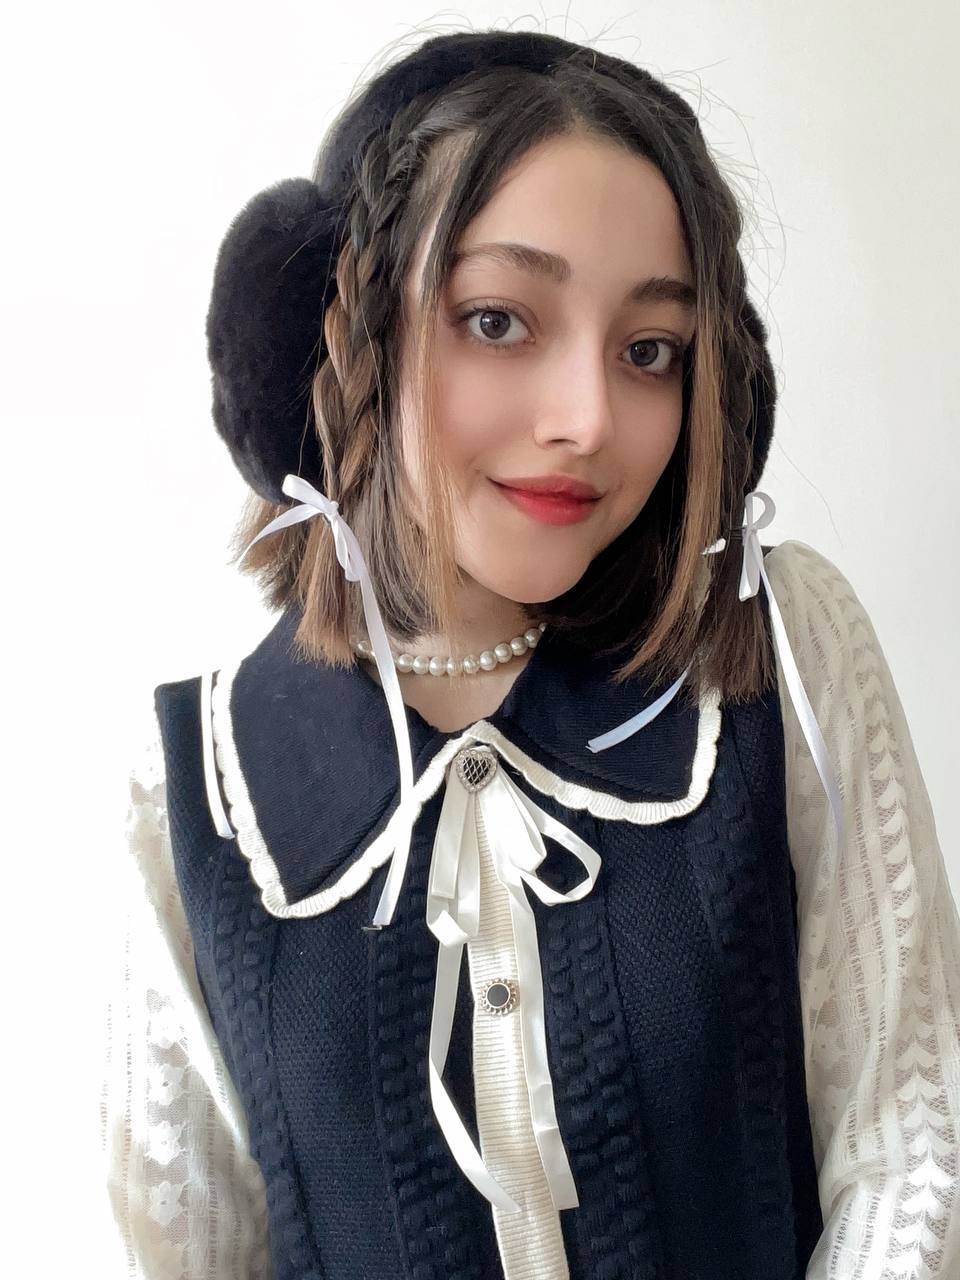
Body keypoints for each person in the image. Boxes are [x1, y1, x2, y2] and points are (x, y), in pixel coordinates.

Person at [100, 27, 960, 1280]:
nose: (589, 419)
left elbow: (910, 1150)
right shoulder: (196, 786)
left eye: (650, 349)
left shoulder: (780, 648)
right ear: (339, 334)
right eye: (498, 320)